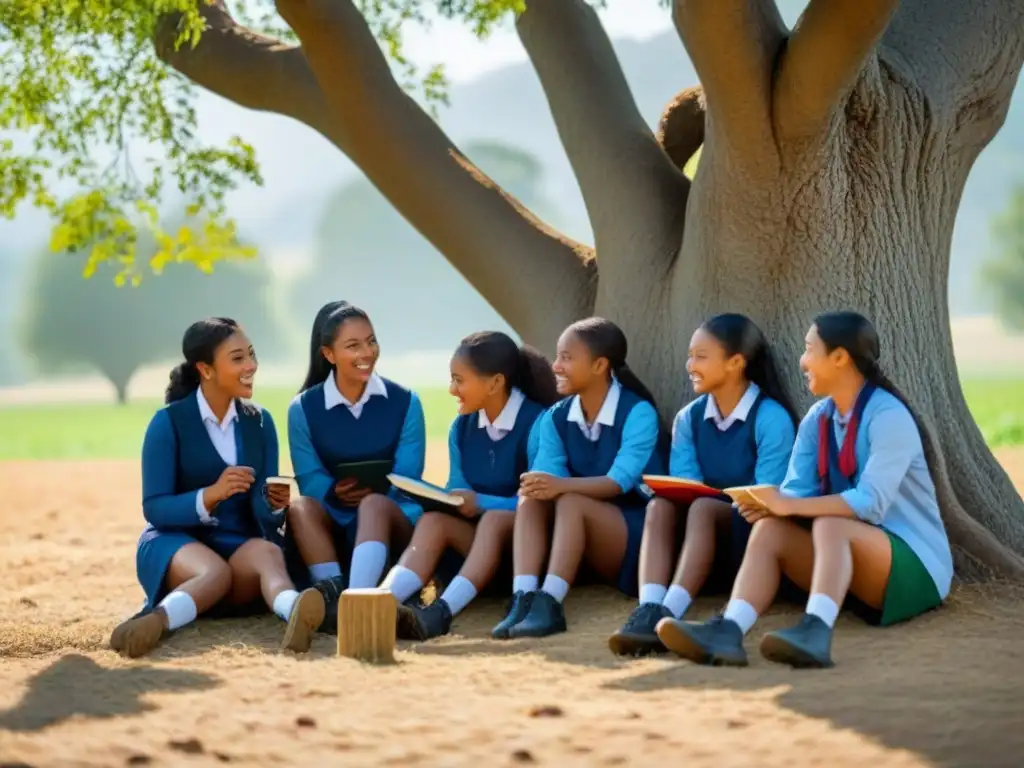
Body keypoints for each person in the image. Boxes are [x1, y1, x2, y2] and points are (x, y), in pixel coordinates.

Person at [656, 311, 954, 668]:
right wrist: (769, 506)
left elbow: (871, 504)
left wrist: (787, 505)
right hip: (853, 560)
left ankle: (816, 631)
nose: (802, 361)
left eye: (810, 349)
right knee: (771, 528)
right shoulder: (818, 418)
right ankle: (728, 630)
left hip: (914, 567)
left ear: (840, 357)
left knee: (830, 524)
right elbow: (796, 492)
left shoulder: (888, 417)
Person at [110, 318, 324, 658]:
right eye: (238, 358)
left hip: (236, 545)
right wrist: (210, 495)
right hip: (175, 542)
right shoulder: (168, 423)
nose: (251, 365)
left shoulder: (261, 422)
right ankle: (157, 621)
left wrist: (273, 505)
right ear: (205, 369)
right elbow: (155, 508)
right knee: (214, 571)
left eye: (251, 355)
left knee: (268, 554)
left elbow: (262, 513)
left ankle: (294, 609)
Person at [609, 314, 799, 656]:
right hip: (696, 541)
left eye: (701, 356)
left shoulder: (771, 418)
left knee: (704, 507)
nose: (690, 365)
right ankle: (650, 606)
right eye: (690, 355)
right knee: (661, 505)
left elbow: (766, 497)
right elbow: (688, 484)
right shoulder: (689, 418)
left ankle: (670, 612)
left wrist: (709, 501)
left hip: (749, 541)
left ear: (735, 363)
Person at [379, 331, 560, 640]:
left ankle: (443, 610)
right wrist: (445, 500)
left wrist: (482, 502)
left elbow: (540, 498)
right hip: (476, 551)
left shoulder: (539, 423)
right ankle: (383, 600)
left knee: (493, 519)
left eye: (459, 380)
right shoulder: (460, 428)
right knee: (434, 520)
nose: (452, 390)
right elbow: (458, 487)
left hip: (525, 554)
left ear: (495, 383)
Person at [493, 317, 665, 640]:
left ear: (600, 365)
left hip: (634, 537)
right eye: (557, 356)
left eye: (567, 358)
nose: (556, 366)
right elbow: (548, 479)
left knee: (571, 501)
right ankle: (524, 597)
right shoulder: (556, 418)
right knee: (532, 497)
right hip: (578, 533)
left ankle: (550, 603)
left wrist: (561, 486)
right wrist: (542, 485)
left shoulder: (638, 413)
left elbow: (619, 482)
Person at [286, 301, 426, 631]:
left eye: (371, 341)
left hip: (392, 518)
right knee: (300, 507)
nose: (367, 352)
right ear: (329, 354)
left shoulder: (406, 401)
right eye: (353, 345)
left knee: (374, 506)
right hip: (333, 518)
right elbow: (309, 479)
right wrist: (334, 491)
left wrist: (375, 496)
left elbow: (408, 477)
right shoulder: (303, 409)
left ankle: (356, 603)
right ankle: (333, 593)